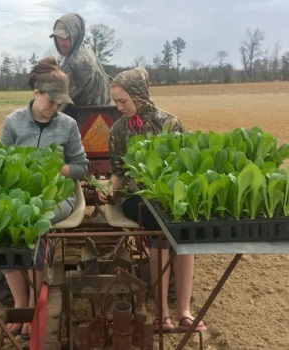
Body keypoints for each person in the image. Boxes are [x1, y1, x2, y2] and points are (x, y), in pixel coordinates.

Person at [97, 66, 207, 332]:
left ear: (139, 95)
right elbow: (118, 171)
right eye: (115, 102)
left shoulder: (170, 123)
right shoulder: (119, 130)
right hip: (137, 198)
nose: (119, 107)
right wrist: (111, 188)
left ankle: (184, 310)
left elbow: (185, 166)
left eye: (123, 101)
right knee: (160, 227)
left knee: (182, 230)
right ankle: (162, 312)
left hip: (170, 196)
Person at [0, 56, 89, 338]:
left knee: (36, 224)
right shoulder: (13, 123)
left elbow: (82, 167)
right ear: (36, 93)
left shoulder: (67, 125)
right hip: (20, 195)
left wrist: (56, 168)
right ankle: (20, 302)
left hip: (56, 196)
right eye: (51, 100)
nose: (55, 107)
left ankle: (37, 305)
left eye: (60, 102)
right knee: (4, 229)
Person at [50, 13, 111, 107]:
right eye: (58, 37)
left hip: (84, 118)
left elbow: (57, 102)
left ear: (76, 35)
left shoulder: (77, 62)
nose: (62, 43)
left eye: (67, 37)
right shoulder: (89, 53)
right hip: (103, 111)